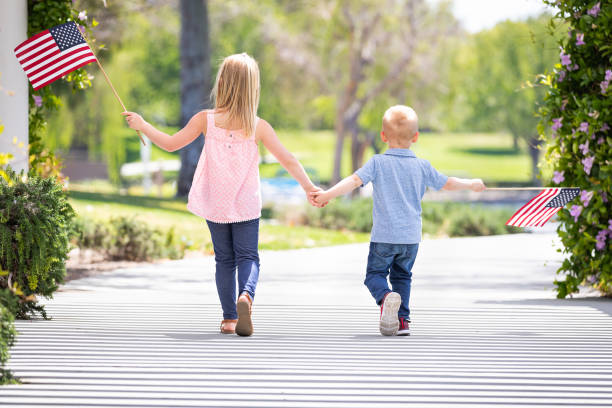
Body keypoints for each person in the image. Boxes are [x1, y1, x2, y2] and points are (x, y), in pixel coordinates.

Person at [122, 53, 322, 336]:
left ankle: (229, 318)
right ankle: (246, 296)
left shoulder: (206, 120)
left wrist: (143, 125)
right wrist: (308, 186)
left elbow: (170, 144)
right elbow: (287, 159)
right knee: (248, 256)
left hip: (215, 200)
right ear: (253, 88)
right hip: (246, 203)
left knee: (224, 259)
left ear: (222, 84)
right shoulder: (258, 126)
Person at [311, 105, 485, 336]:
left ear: (383, 136)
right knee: (403, 276)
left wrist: (327, 194)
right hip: (411, 238)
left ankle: (385, 297)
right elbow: (447, 183)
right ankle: (403, 322)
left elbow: (354, 181)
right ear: (416, 137)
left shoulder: (378, 163)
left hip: (384, 235)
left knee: (374, 276)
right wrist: (471, 184)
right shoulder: (422, 166)